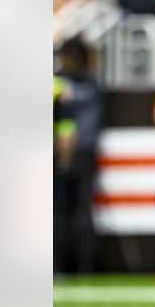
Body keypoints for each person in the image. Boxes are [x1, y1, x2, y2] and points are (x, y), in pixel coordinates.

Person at [54, 39, 103, 276]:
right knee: (70, 213)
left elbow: (67, 126)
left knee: (66, 212)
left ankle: (76, 266)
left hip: (74, 151)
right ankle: (75, 266)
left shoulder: (62, 82)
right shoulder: (91, 83)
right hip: (80, 151)